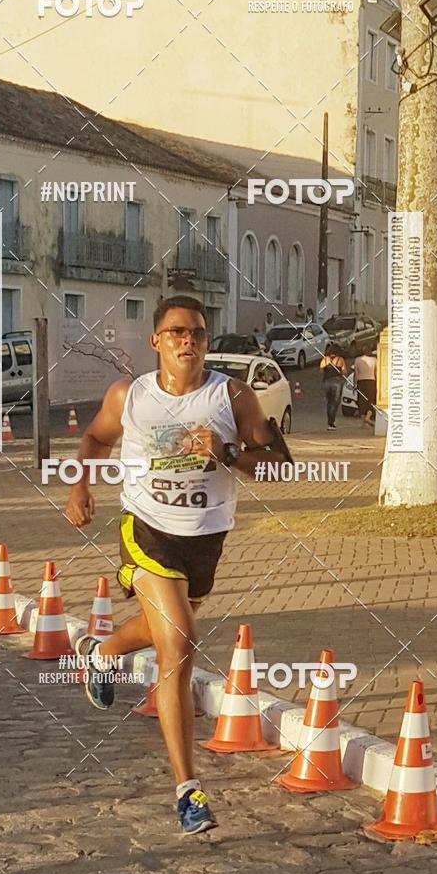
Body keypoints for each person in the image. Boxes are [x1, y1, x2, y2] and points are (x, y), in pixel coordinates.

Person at [65, 296, 293, 835]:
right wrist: (80, 486)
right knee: (181, 644)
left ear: (207, 342)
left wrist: (230, 454)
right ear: (156, 342)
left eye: (196, 333)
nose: (186, 341)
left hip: (206, 539)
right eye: (175, 333)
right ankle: (189, 791)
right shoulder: (131, 395)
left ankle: (100, 653)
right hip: (147, 532)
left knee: (162, 630)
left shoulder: (233, 397)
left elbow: (280, 465)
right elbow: (96, 436)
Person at [319, 342, 347, 430]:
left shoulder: (325, 359)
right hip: (337, 382)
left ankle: (329, 421)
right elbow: (344, 372)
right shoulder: (340, 360)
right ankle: (332, 421)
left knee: (329, 402)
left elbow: (321, 371)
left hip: (327, 382)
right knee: (335, 402)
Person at [354, 344, 377, 426]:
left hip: (361, 381)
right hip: (371, 381)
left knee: (361, 401)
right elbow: (376, 372)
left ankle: (364, 420)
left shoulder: (357, 360)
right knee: (371, 400)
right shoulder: (374, 360)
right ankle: (368, 417)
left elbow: (356, 374)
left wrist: (355, 384)